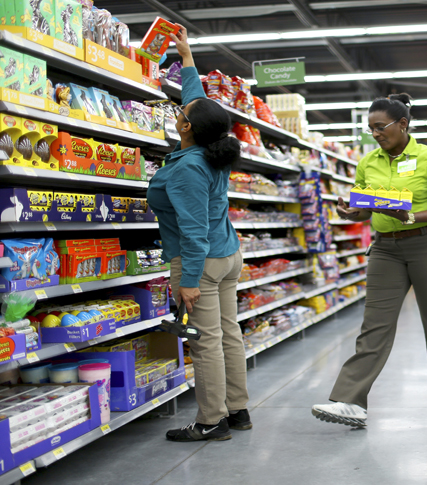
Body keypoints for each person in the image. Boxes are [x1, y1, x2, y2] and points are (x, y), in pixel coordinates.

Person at [312, 93, 427, 427]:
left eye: (381, 127)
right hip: (385, 249)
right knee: (374, 323)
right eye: (371, 129)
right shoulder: (368, 163)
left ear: (402, 124)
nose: (376, 134)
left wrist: (411, 216)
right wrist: (352, 211)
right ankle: (350, 400)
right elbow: (367, 207)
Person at [147, 25, 249, 442]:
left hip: (201, 263)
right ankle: (237, 410)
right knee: (228, 334)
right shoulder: (208, 146)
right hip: (226, 256)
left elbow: (192, 231)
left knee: (206, 342)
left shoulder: (188, 168)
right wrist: (186, 56)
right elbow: (196, 101)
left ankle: (211, 421)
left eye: (181, 113)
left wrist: (188, 280)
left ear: (186, 127)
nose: (178, 112)